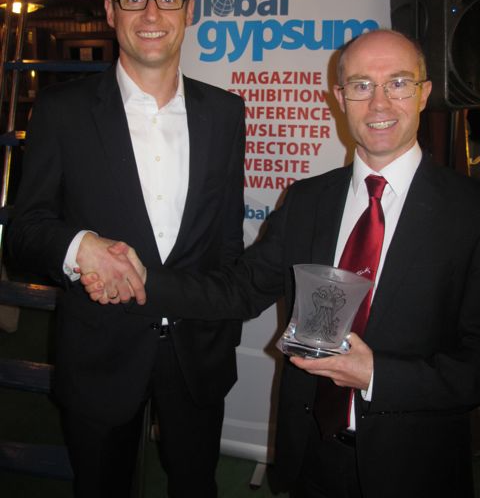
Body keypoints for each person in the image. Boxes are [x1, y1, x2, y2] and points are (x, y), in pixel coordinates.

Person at [83, 29, 480, 498]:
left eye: (397, 83)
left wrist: (375, 374)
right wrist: (143, 279)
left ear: (424, 93)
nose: (379, 103)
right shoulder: (307, 200)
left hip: (415, 467)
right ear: (340, 98)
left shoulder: (469, 213)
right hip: (311, 458)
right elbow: (237, 289)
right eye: (361, 85)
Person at [7, 0, 246, 498]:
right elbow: (23, 232)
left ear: (190, 10)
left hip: (197, 353)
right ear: (110, 11)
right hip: (100, 352)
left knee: (196, 486)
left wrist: (223, 332)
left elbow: (226, 238)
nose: (152, 14)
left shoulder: (226, 112)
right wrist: (80, 246)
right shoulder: (62, 111)